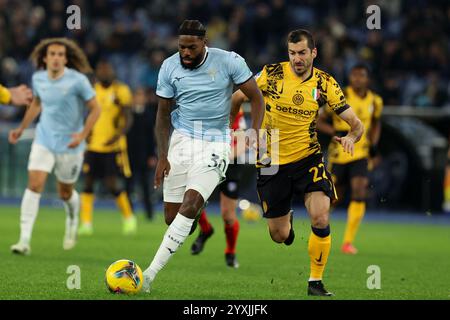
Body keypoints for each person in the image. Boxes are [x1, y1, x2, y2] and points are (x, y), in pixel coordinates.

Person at [231, 29, 364, 296]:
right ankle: (286, 222)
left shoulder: (325, 83)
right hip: (271, 157)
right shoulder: (272, 73)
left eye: (302, 53)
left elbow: (357, 124)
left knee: (320, 215)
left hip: (307, 157)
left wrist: (351, 137)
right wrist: (233, 130)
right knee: (279, 235)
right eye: (292, 53)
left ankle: (315, 281)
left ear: (313, 52)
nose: (297, 59)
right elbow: (237, 97)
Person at [141, 20, 265, 292]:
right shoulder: (169, 66)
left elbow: (256, 98)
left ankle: (148, 275)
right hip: (181, 141)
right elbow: (162, 115)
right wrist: (162, 156)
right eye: (181, 46)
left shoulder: (229, 61)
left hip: (216, 142)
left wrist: (254, 133)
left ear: (204, 43)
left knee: (191, 203)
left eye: (191, 47)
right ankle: (196, 218)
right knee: (173, 219)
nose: (185, 52)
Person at [8, 38, 101, 255]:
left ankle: (72, 218)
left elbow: (96, 109)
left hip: (70, 145)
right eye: (53, 54)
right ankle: (24, 240)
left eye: (61, 54)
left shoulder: (78, 80)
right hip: (44, 140)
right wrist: (21, 128)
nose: (56, 58)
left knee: (65, 193)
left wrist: (82, 135)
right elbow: (38, 103)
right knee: (35, 184)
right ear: (45, 58)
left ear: (66, 59)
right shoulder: (38, 78)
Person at [316, 63, 383, 255]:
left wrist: (374, 146)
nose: (357, 79)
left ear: (367, 79)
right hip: (338, 153)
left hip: (360, 153)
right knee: (333, 197)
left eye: (361, 76)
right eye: (354, 76)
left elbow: (377, 124)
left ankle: (347, 242)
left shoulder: (375, 101)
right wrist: (333, 131)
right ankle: (320, 231)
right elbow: (318, 120)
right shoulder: (340, 96)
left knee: (359, 190)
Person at [78, 60, 137, 236]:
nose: (104, 72)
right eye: (101, 69)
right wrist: (85, 132)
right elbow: (87, 114)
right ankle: (86, 223)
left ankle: (128, 218)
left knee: (112, 184)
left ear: (113, 71)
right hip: (93, 145)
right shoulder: (92, 90)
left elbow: (128, 117)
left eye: (107, 69)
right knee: (88, 182)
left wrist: (118, 135)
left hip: (111, 146)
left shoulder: (121, 90)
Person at [190, 108, 247, 268]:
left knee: (228, 216)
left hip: (231, 164)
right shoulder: (205, 102)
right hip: (207, 160)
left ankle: (230, 252)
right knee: (193, 202)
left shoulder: (236, 108)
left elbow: (242, 142)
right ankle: (206, 229)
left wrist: (224, 157)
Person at [125, 87, 157, 220]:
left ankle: (149, 214)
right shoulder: (127, 115)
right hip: (128, 156)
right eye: (137, 95)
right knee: (128, 186)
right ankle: (128, 213)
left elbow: (152, 137)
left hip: (144, 156)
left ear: (144, 98)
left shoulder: (149, 115)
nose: (139, 98)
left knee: (146, 188)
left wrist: (152, 155)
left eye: (141, 95)